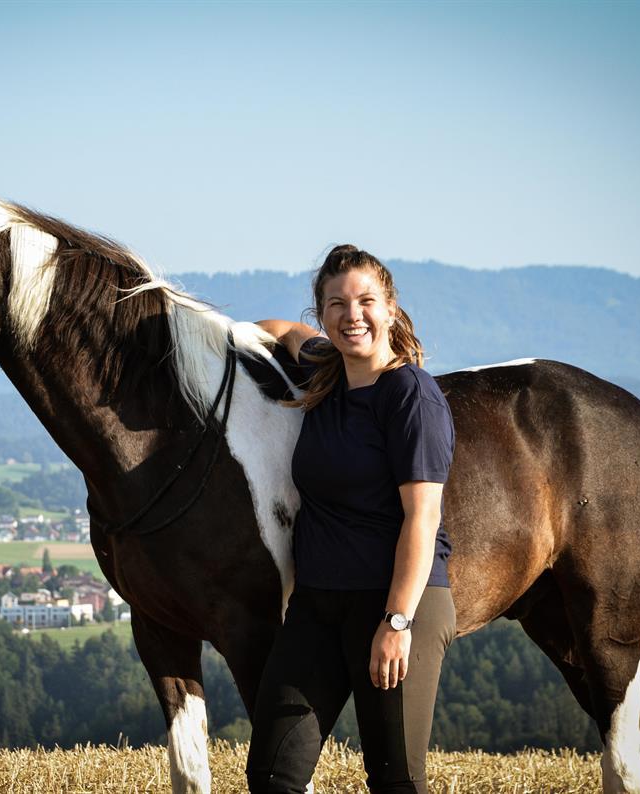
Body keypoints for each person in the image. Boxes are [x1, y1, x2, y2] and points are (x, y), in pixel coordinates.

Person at [247, 244, 456, 793]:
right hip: (319, 605)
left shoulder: (411, 395)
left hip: (395, 602)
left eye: (366, 300)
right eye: (336, 303)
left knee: (395, 781)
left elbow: (422, 518)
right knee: (272, 776)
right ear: (322, 315)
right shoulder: (324, 371)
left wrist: (397, 623)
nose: (352, 314)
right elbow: (279, 330)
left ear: (390, 308)